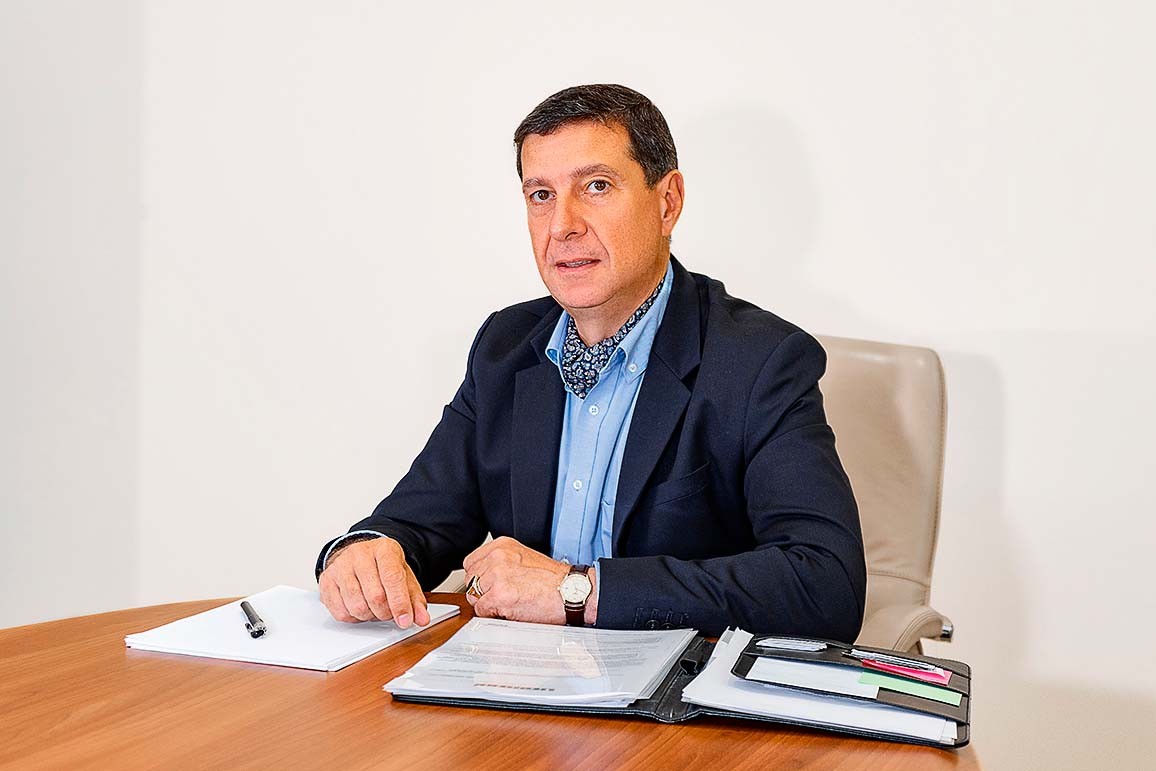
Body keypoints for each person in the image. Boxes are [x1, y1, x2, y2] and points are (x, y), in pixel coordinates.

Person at [315, 84, 866, 640]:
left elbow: (824, 586)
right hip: (516, 674)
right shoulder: (506, 347)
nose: (562, 225)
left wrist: (577, 591)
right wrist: (367, 552)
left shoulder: (760, 361)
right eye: (541, 195)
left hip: (673, 683)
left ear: (667, 202)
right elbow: (417, 520)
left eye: (596, 186)